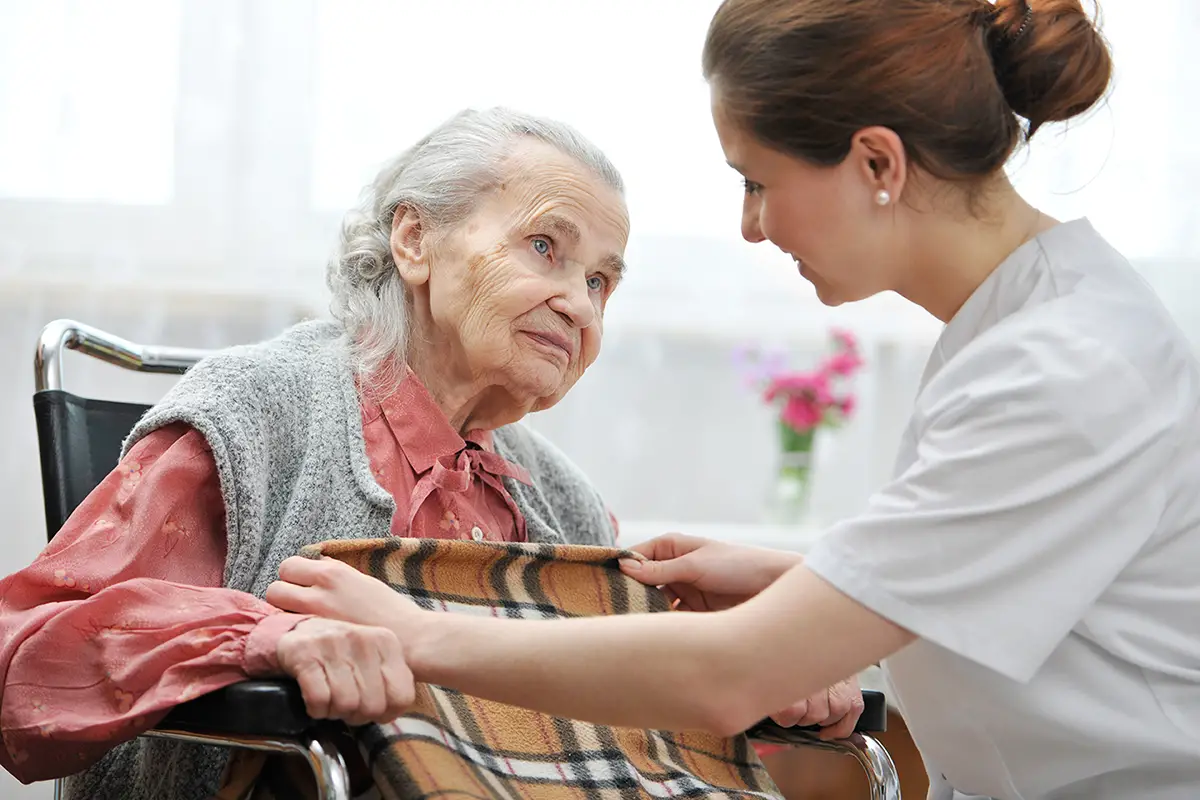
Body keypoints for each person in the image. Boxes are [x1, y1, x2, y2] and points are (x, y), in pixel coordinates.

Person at [267, 1, 1200, 798]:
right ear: (412, 241)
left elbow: (729, 675)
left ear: (878, 164)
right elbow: (1017, 574)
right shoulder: (1026, 331)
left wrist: (416, 635)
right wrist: (805, 584)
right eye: (544, 249)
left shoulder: (1062, 368)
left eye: (758, 181)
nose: (750, 227)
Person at [2, 107, 856, 800]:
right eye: (545, 247)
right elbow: (20, 656)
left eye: (601, 282)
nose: (579, 305)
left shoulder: (563, 502)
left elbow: (609, 740)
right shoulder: (259, 417)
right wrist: (269, 637)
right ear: (414, 240)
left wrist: (765, 667)